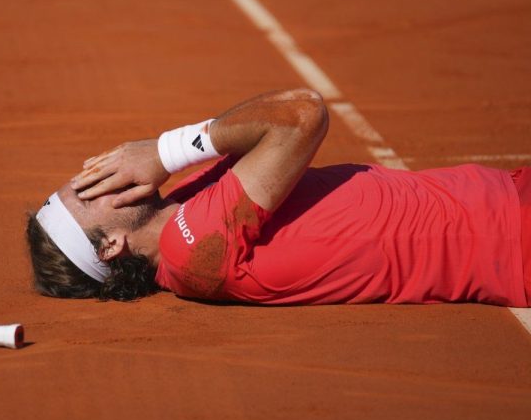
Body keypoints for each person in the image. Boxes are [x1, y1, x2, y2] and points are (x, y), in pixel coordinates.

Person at [26, 89, 531, 307]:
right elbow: (301, 114)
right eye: (87, 192)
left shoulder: (183, 208)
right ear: (112, 245)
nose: (98, 174)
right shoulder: (193, 248)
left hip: (505, 200)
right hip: (512, 240)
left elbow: (260, 128)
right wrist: (165, 150)